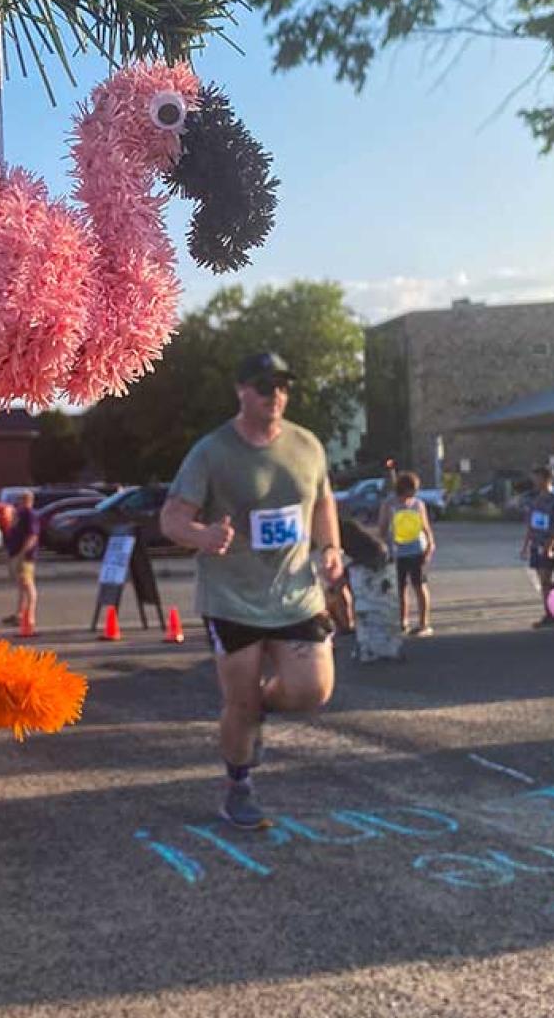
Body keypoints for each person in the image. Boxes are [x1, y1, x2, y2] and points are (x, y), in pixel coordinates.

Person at [160, 351, 343, 830]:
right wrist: (202, 535)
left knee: (312, 689)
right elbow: (171, 518)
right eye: (264, 386)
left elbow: (323, 501)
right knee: (238, 702)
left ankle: (256, 711)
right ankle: (238, 786)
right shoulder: (211, 451)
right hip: (232, 597)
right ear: (241, 391)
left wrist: (330, 547)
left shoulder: (307, 444)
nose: (275, 395)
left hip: (296, 593)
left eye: (283, 386)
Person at [378, 470, 435, 636]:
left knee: (419, 585)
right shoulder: (389, 504)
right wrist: (385, 546)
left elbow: (425, 526)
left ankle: (424, 623)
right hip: (397, 552)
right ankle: (403, 622)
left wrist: (430, 544)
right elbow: (382, 527)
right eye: (412, 489)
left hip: (417, 549)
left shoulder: (418, 504)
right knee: (400, 588)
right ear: (404, 488)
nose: (415, 493)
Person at [521, 464, 554, 629]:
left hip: (548, 544)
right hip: (536, 544)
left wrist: (550, 545)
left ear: (546, 479)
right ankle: (552, 611)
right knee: (544, 581)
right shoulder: (534, 500)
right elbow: (531, 525)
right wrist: (526, 546)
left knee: (547, 580)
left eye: (537, 478)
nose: (535, 482)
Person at [3, 490, 40, 637]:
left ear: (28, 500)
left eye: (22, 499)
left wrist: (22, 554)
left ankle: (29, 617)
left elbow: (32, 536)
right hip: (16, 554)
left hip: (24, 556)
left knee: (27, 584)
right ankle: (19, 614)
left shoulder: (30, 515)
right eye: (19, 500)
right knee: (21, 586)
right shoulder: (20, 515)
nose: (19, 502)